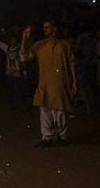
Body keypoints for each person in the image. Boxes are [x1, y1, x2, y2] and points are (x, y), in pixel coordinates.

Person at [20, 19, 77, 147]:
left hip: (61, 82)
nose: (45, 30)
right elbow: (24, 55)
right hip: (44, 82)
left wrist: (74, 81)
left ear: (55, 29)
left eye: (48, 27)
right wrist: (24, 38)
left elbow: (72, 62)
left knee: (61, 110)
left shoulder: (64, 45)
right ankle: (47, 137)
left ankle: (62, 136)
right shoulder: (40, 45)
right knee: (45, 109)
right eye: (44, 27)